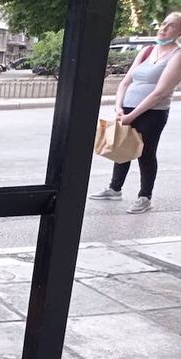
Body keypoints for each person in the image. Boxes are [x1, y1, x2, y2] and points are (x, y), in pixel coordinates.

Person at [90, 12, 181, 214]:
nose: (164, 28)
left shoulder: (177, 55)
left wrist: (132, 116)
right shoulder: (147, 50)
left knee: (145, 153)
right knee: (122, 145)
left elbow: (160, 93)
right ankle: (115, 188)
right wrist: (119, 107)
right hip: (127, 109)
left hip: (153, 112)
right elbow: (125, 82)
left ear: (179, 32)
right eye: (164, 23)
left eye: (171, 26)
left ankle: (145, 197)